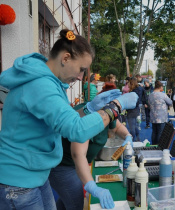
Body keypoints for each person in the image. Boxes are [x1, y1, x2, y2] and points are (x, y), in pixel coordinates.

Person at [0, 29, 138, 210]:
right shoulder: (40, 85)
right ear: (65, 58)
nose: (81, 77)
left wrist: (89, 109)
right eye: (81, 69)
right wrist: (116, 107)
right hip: (18, 179)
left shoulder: (50, 82)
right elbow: (76, 130)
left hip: (35, 173)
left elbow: (64, 121)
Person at [49, 97, 132, 210]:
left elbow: (117, 127)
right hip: (63, 165)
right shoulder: (86, 117)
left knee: (66, 197)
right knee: (74, 203)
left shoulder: (108, 112)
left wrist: (128, 135)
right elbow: (78, 155)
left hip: (72, 163)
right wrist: (92, 187)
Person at [148, 80, 172, 145]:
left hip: (153, 116)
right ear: (161, 87)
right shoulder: (163, 95)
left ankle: (153, 145)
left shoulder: (150, 95)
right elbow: (170, 102)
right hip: (161, 117)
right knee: (160, 132)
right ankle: (159, 146)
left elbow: (149, 104)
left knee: (154, 132)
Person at [127, 77, 143, 141]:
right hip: (136, 110)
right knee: (135, 125)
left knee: (132, 127)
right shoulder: (139, 89)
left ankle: (132, 140)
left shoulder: (132, 92)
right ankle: (138, 137)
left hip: (131, 110)